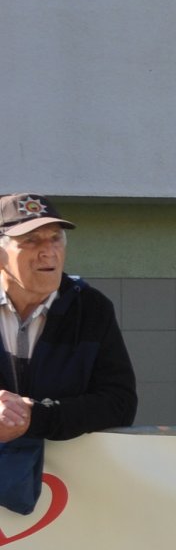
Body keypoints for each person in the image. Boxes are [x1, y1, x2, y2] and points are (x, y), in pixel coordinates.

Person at [0, 197, 138, 493]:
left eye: (56, 238)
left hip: (72, 499)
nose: (48, 251)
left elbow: (119, 404)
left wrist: (35, 417)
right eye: (31, 240)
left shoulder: (91, 308)